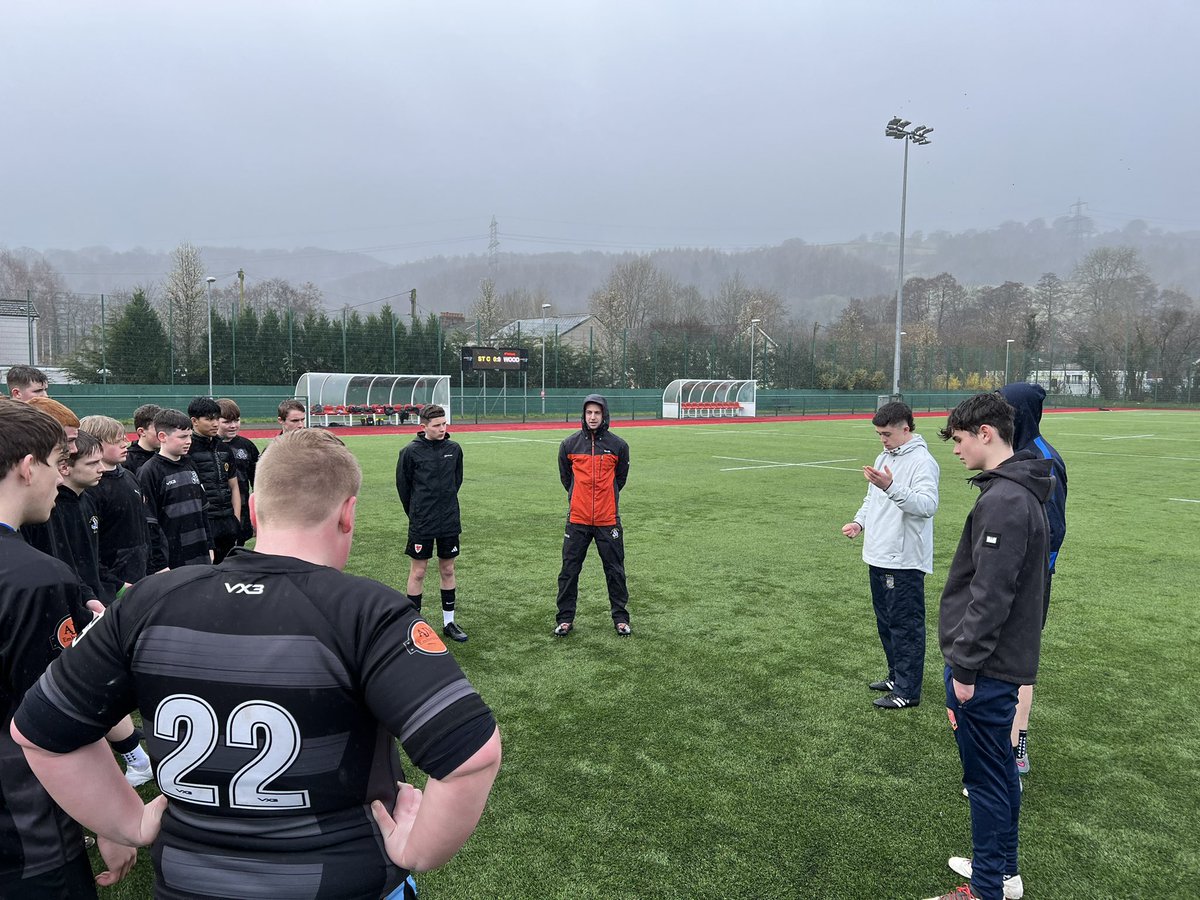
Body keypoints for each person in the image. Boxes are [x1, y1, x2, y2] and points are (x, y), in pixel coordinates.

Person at [13, 428, 501, 900]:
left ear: (254, 509)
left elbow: (41, 732)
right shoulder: (366, 611)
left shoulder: (150, 600)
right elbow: (471, 755)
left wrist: (127, 822)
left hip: (190, 883)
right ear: (348, 514)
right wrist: (419, 851)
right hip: (343, 879)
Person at [0, 399, 137, 896]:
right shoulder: (34, 578)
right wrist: (111, 820)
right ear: (27, 466)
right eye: (58, 462)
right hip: (23, 831)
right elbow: (55, 716)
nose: (61, 480)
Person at [923, 393, 1051, 900]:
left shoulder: (1005, 500)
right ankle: (1002, 872)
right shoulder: (1019, 490)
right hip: (1001, 661)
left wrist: (965, 668)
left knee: (986, 780)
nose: (956, 450)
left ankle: (984, 889)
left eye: (959, 439)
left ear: (986, 434)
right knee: (999, 772)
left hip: (987, 667)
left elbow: (991, 595)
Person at [842, 401, 939, 709]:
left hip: (904, 561)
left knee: (905, 626)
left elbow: (927, 506)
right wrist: (859, 522)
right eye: (879, 434)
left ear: (905, 429)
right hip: (878, 554)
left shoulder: (922, 461)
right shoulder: (883, 457)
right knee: (886, 623)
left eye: (887, 434)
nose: (882, 440)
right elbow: (871, 499)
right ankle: (896, 677)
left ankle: (907, 691)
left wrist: (892, 487)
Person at [998, 382, 1067, 776]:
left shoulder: (1044, 458)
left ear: (1019, 413)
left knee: (1018, 662)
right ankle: (998, 734)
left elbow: (1054, 530)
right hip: (1004, 575)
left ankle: (1017, 741)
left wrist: (1034, 575)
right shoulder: (1008, 453)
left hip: (1031, 580)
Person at [554, 394, 632, 637]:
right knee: (569, 571)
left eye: (597, 413)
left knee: (615, 571)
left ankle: (621, 618)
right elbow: (566, 479)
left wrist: (605, 499)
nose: (593, 417)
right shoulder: (569, 445)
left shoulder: (619, 446)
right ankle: (565, 619)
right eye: (589, 412)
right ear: (583, 415)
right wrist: (579, 498)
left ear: (604, 415)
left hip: (608, 520)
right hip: (577, 519)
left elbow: (620, 479)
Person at [396, 404, 468, 642]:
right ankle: (414, 626)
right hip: (422, 521)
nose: (442, 428)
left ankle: (449, 623)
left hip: (448, 519)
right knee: (418, 572)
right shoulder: (410, 452)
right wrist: (417, 513)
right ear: (423, 426)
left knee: (448, 569)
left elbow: (456, 481)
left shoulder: (454, 449)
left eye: (444, 424)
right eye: (437, 425)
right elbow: (404, 488)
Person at [137, 408, 213, 569]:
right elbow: (149, 523)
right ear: (162, 437)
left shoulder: (190, 464)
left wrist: (210, 545)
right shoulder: (149, 472)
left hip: (200, 556)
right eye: (183, 437)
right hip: (172, 560)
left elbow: (203, 511)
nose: (189, 441)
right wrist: (159, 563)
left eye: (190, 436)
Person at [187, 397, 242, 563]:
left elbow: (234, 486)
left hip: (227, 522)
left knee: (229, 570)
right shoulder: (187, 450)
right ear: (194, 421)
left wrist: (235, 520)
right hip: (203, 524)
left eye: (217, 418)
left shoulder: (224, 448)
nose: (215, 423)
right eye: (209, 419)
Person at [217, 398, 260, 547]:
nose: (233, 425)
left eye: (237, 420)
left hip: (242, 512)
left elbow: (257, 482)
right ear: (215, 421)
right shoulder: (207, 447)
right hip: (217, 514)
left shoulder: (247, 446)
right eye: (227, 422)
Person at [122, 403, 162, 474]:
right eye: (158, 429)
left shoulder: (167, 455)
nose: (163, 433)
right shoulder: (126, 461)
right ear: (141, 432)